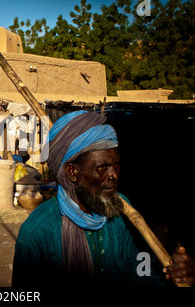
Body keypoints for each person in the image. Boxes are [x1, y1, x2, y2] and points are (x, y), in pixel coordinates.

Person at [12, 110, 195, 287]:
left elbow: (141, 272)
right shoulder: (36, 233)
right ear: (73, 172)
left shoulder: (124, 212)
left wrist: (173, 276)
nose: (114, 175)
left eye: (116, 165)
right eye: (103, 167)